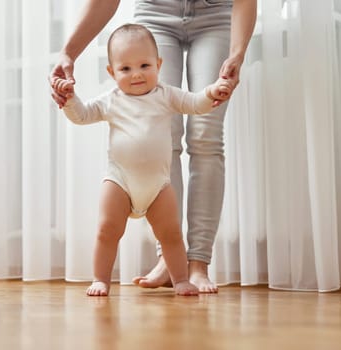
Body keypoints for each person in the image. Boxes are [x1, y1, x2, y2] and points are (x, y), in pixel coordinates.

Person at [50, 0, 257, 293]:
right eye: (123, 69)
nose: (136, 73)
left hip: (216, 14)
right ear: (111, 72)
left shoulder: (167, 90)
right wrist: (68, 54)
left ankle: (198, 264)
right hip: (156, 13)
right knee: (166, 132)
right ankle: (170, 262)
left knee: (206, 134)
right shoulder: (110, 99)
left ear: (156, 65)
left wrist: (235, 57)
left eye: (147, 67)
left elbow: (197, 102)